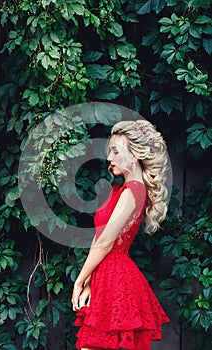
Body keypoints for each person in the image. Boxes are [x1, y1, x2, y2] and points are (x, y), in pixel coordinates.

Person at [71, 120, 170, 350]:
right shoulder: (121, 191)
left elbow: (105, 243)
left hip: (116, 277)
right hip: (105, 276)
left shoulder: (134, 189)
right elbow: (101, 238)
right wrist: (88, 283)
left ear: (135, 154)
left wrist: (79, 281)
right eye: (109, 152)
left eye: (116, 151)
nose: (109, 158)